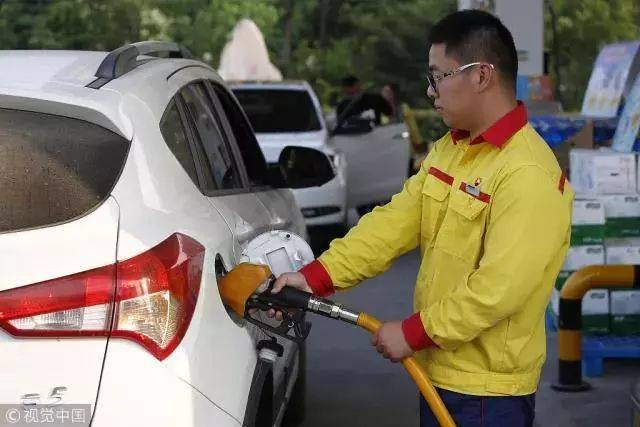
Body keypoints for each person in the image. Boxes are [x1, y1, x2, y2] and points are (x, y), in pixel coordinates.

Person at [270, 9, 573, 426]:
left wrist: (414, 333)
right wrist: (316, 277)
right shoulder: (453, 149)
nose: (431, 92)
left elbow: (499, 290)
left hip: (487, 395)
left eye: (438, 76)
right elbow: (394, 223)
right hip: (439, 374)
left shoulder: (528, 172)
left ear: (481, 75)